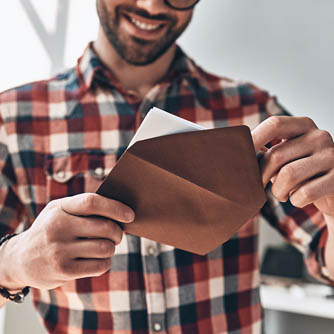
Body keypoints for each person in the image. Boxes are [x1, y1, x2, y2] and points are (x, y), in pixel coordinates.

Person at [0, 0, 333, 333]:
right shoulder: (15, 118)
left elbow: (325, 253)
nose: (151, 5)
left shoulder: (253, 111)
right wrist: (14, 263)